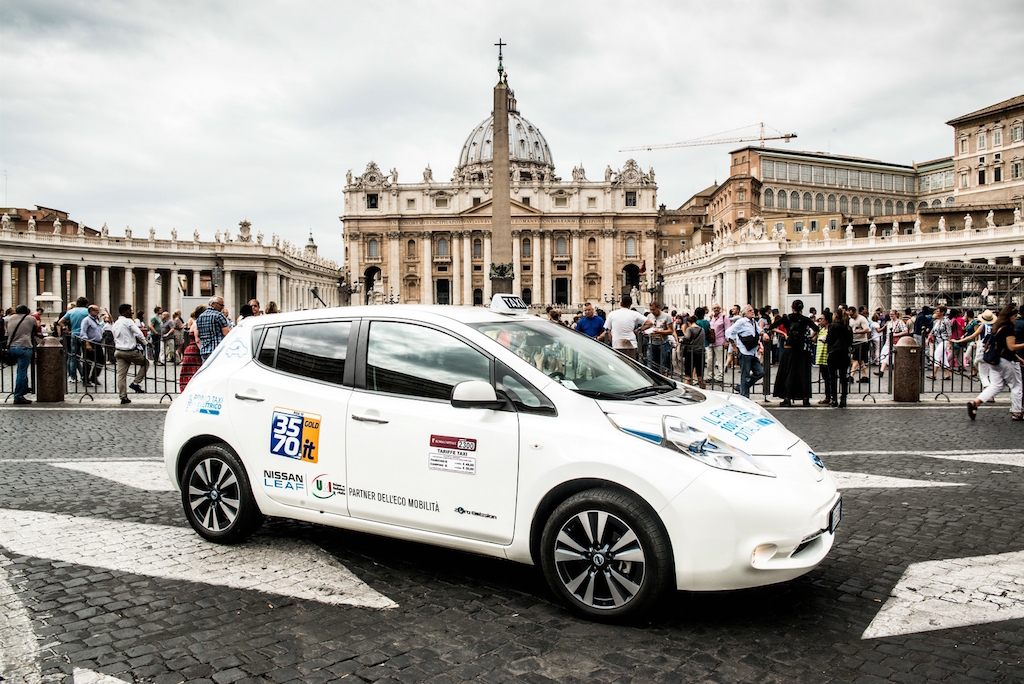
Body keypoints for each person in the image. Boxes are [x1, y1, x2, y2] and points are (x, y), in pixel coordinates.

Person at [967, 304, 1023, 421]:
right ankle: (1017, 412)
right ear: (1009, 316)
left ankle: (975, 402)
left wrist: (1018, 357)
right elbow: (1011, 347)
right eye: (1014, 316)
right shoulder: (1008, 329)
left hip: (996, 360)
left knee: (996, 386)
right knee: (1016, 386)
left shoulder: (997, 327)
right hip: (1007, 361)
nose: (1016, 318)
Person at [771, 299, 819, 406]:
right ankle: (805, 398)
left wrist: (784, 333)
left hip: (790, 347)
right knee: (803, 374)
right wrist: (809, 338)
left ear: (792, 307)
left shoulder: (787, 318)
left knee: (788, 373)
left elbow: (772, 326)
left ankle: (787, 398)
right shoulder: (805, 319)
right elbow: (816, 329)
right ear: (802, 308)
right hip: (802, 349)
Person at [112, 303, 149, 405]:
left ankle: (123, 397)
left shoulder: (116, 323)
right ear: (124, 311)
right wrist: (146, 343)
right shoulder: (128, 321)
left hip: (119, 351)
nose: (132, 312)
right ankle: (136, 383)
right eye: (129, 310)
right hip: (129, 351)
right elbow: (139, 333)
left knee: (121, 376)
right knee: (145, 363)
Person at [725, 304, 763, 398]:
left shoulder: (753, 322)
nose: (752, 312)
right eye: (750, 310)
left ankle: (741, 387)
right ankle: (745, 396)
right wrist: (733, 345)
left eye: (753, 310)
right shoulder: (741, 322)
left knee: (760, 372)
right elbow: (729, 332)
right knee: (745, 375)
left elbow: (759, 331)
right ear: (745, 313)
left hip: (753, 351)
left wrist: (763, 335)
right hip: (744, 351)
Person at [4, 305, 40, 404]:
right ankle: (18, 396)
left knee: (20, 371)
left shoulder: (10, 318)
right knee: (22, 371)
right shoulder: (31, 319)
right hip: (24, 346)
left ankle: (24, 388)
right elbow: (36, 329)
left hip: (11, 347)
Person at [602, 295, 651, 360]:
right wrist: (638, 330)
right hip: (631, 344)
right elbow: (649, 323)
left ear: (620, 303)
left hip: (617, 344)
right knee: (631, 365)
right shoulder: (634, 314)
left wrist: (612, 341)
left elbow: (608, 330)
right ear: (630, 305)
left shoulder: (612, 314)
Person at [57, 296, 90, 383]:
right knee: (86, 357)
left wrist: (66, 329)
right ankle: (85, 377)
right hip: (85, 335)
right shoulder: (87, 311)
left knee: (73, 356)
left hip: (74, 334)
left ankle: (72, 376)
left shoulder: (71, 311)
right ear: (86, 304)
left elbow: (60, 322)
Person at [827, 307, 854, 408]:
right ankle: (843, 399)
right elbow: (850, 341)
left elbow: (830, 339)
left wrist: (826, 340)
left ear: (836, 316)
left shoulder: (833, 326)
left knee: (833, 378)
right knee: (843, 377)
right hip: (844, 354)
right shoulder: (848, 327)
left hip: (834, 353)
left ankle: (834, 399)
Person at [196, 296, 232, 362]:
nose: (222, 307)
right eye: (221, 305)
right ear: (213, 304)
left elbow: (198, 335)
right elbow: (226, 334)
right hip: (217, 350)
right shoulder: (219, 316)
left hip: (204, 351)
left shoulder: (200, 317)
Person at [179, 305, 206, 390]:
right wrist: (202, 350)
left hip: (190, 349)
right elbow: (197, 339)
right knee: (194, 371)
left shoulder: (195, 322)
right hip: (195, 350)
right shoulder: (198, 323)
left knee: (188, 372)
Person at [644, 302, 675, 375]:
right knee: (650, 365)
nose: (652, 312)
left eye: (654, 310)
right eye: (651, 310)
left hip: (663, 343)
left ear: (658, 308)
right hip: (652, 342)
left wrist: (660, 332)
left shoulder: (666, 317)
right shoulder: (650, 316)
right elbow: (647, 326)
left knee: (663, 366)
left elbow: (671, 331)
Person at [78, 304, 105, 386]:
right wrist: (87, 343)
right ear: (90, 311)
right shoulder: (86, 320)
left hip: (97, 343)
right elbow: (83, 332)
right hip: (89, 343)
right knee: (88, 362)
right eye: (96, 311)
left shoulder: (96, 320)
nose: (98, 312)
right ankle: (85, 380)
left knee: (101, 360)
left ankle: (94, 377)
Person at [877, 308, 909, 375]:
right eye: (890, 314)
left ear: (896, 314)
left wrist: (896, 334)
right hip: (888, 341)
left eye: (892, 314)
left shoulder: (900, 322)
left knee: (896, 356)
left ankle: (898, 371)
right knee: (884, 354)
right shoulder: (889, 323)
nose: (891, 315)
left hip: (896, 341)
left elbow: (906, 331)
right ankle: (881, 371)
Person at [679, 315, 706, 389]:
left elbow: (687, 337)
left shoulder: (689, 329)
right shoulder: (701, 329)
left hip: (690, 353)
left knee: (688, 376)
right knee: (700, 375)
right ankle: (703, 390)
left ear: (688, 322)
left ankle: (687, 391)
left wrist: (681, 340)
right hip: (700, 353)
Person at [927, 305, 953, 381]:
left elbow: (949, 332)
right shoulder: (936, 321)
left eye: (938, 311)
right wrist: (928, 338)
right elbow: (933, 331)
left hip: (944, 341)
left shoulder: (946, 321)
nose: (936, 312)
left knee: (937, 356)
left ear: (942, 312)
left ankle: (934, 374)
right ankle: (948, 374)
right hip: (938, 341)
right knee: (943, 357)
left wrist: (949, 343)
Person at [849, 306, 870, 383]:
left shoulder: (862, 319)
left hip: (861, 341)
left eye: (852, 315)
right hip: (854, 341)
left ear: (855, 312)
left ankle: (851, 376)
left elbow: (867, 329)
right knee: (860, 360)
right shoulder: (851, 320)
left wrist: (857, 332)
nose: (851, 316)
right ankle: (865, 376)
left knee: (856, 359)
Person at [815, 311, 832, 405]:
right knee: (825, 378)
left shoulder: (830, 329)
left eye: (821, 319)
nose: (820, 320)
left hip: (827, 356)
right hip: (821, 356)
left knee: (829, 378)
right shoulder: (821, 330)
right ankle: (827, 396)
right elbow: (813, 338)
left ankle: (831, 396)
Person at [709, 304, 728, 381]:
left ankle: (720, 377)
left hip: (720, 342)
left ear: (720, 309)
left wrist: (727, 341)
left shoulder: (724, 318)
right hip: (711, 342)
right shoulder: (711, 318)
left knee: (720, 360)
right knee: (710, 360)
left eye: (717, 308)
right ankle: (710, 376)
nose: (716, 309)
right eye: (714, 308)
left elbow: (727, 329)